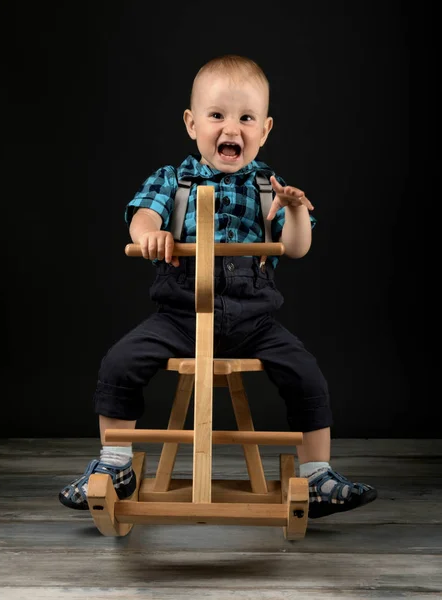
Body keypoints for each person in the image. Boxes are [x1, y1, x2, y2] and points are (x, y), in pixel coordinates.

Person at [59, 54, 377, 519]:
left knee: (306, 374)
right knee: (119, 363)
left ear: (265, 130)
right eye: (217, 116)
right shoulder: (173, 180)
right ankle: (115, 463)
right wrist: (150, 233)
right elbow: (143, 213)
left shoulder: (271, 187)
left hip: (254, 320)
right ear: (192, 124)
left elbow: (295, 246)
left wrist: (293, 210)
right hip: (179, 316)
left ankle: (317, 474)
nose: (232, 128)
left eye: (246, 118)